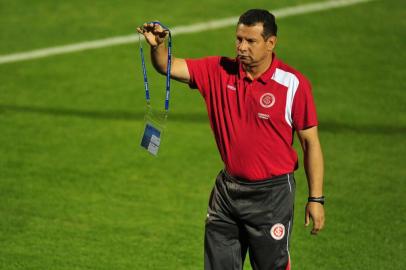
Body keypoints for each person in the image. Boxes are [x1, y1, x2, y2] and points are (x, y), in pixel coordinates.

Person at [137, 9, 325, 270]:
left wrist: (316, 199)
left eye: (251, 41)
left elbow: (310, 143)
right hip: (228, 193)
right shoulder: (218, 71)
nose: (241, 47)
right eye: (238, 39)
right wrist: (159, 46)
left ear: (271, 43)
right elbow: (167, 66)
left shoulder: (293, 85)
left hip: (271, 197)